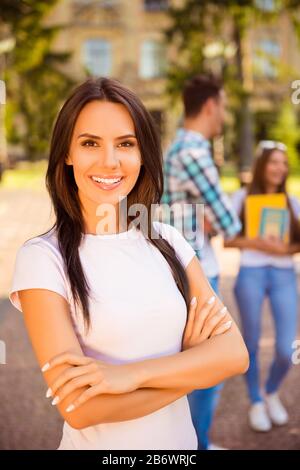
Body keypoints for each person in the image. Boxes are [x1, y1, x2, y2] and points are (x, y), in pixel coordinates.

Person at [9, 77, 248, 450]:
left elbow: (234, 354)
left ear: (142, 153)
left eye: (125, 144)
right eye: (90, 143)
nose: (110, 161)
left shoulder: (169, 240)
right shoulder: (43, 258)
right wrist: (193, 366)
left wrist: (129, 376)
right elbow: (80, 408)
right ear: (67, 153)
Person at [161, 74, 242, 450]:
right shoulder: (194, 152)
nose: (224, 115)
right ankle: (197, 445)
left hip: (180, 267)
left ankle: (190, 441)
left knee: (190, 358)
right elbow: (230, 222)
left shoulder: (173, 149)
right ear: (210, 105)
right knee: (213, 365)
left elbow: (172, 212)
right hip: (197, 272)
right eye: (223, 106)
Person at [225, 141, 300, 432]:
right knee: (252, 341)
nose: (280, 168)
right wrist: (254, 243)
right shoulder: (242, 197)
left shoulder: (292, 202)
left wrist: (286, 250)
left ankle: (271, 391)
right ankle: (255, 400)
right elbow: (227, 239)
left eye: (284, 163)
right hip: (251, 273)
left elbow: (296, 244)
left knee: (285, 348)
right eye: (274, 162)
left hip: (283, 275)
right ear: (262, 165)